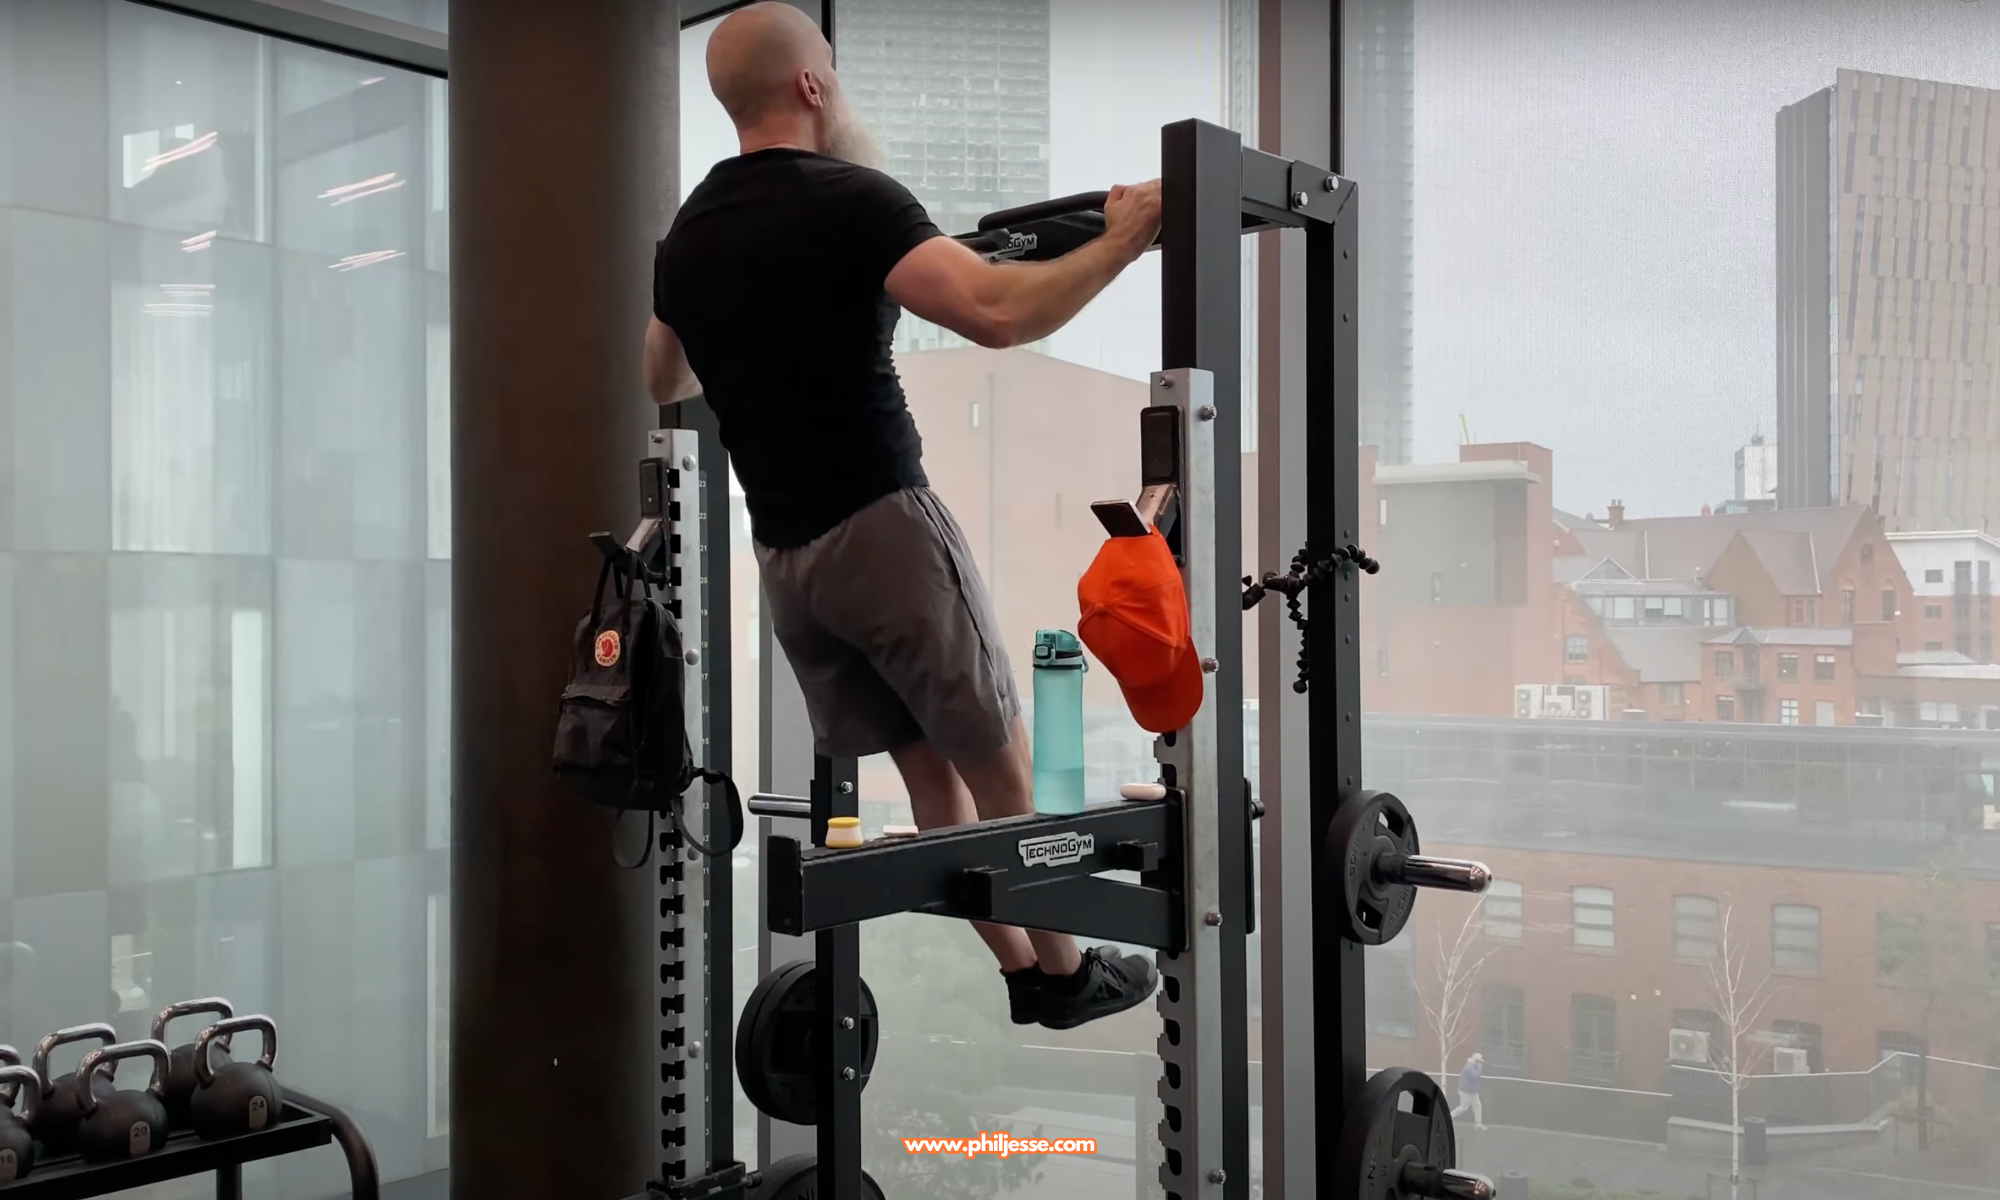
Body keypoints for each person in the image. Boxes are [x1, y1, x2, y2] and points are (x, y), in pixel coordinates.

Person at [645, 2, 1165, 1031]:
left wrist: (761, 332)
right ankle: (1065, 975)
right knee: (1000, 768)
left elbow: (662, 377)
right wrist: (1121, 240)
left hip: (788, 561)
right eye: (830, 64)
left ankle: (1023, 970)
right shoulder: (851, 199)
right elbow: (998, 312)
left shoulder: (687, 237)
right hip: (881, 529)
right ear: (810, 86)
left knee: (928, 776)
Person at [1452, 1052, 1485, 1130]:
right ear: (1476, 1061)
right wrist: (1479, 1069)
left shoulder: (1472, 1066)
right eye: (1479, 1062)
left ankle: (1478, 1123)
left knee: (1477, 1106)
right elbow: (1475, 1076)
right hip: (1466, 1091)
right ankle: (1449, 1116)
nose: (1480, 1064)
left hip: (1472, 1091)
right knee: (1464, 1107)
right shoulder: (1469, 1067)